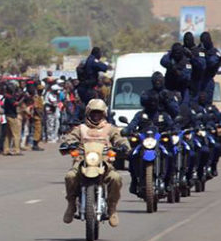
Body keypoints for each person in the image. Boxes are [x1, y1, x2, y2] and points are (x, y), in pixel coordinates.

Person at [61, 99, 129, 227]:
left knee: (116, 178)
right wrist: (67, 144)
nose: (96, 116)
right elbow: (70, 138)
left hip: (104, 162)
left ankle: (112, 208)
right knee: (70, 176)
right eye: (94, 113)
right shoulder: (81, 128)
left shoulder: (110, 128)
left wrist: (124, 146)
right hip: (82, 161)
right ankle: (71, 205)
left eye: (99, 113)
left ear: (104, 114)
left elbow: (120, 139)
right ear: (88, 113)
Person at [122, 90, 175, 195]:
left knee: (170, 155)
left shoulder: (163, 115)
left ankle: (168, 181)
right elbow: (132, 125)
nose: (151, 104)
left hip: (159, 143)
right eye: (149, 102)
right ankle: (134, 180)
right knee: (132, 155)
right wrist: (127, 130)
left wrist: (172, 130)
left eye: (154, 102)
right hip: (143, 143)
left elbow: (172, 125)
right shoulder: (140, 115)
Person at [197, 32, 221, 102]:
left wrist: (204, 55)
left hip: (207, 80)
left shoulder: (214, 53)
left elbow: (210, 63)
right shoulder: (197, 50)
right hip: (196, 81)